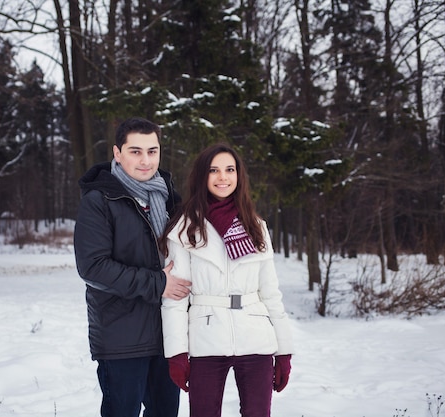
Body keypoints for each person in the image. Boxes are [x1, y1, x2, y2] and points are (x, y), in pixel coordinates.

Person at [159, 143, 294, 417]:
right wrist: (176, 353)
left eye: (229, 169)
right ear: (202, 176)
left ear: (239, 175)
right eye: (214, 170)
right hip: (206, 338)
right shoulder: (185, 229)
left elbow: (270, 294)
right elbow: (175, 297)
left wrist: (284, 352)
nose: (223, 177)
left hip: (255, 336)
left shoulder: (256, 227)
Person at [74, 117, 192, 417]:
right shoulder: (99, 199)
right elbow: (93, 267)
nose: (145, 160)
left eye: (152, 151)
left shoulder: (168, 199)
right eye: (135, 151)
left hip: (167, 333)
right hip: (121, 335)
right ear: (117, 153)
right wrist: (158, 283)